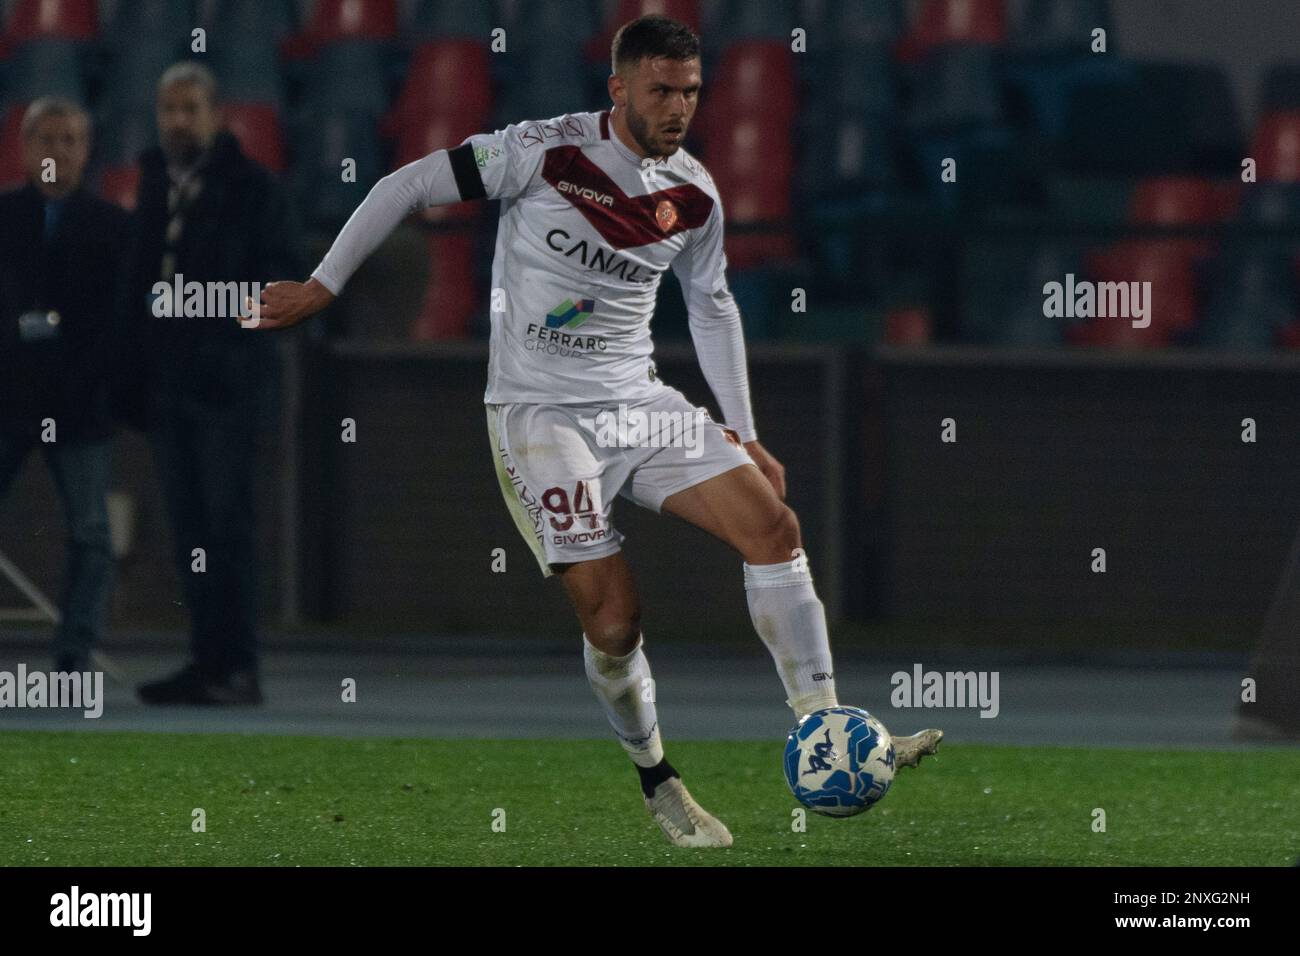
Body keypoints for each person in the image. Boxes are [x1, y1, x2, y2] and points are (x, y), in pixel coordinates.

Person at [252, 16, 941, 845]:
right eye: (661, 89)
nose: (678, 105)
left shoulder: (695, 193)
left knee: (772, 526)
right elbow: (403, 184)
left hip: (636, 404)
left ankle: (825, 725)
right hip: (540, 415)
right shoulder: (542, 151)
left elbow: (712, 306)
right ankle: (660, 781)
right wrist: (323, 286)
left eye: (690, 90)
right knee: (615, 625)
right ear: (618, 89)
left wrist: (744, 432)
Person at [125, 63, 299, 705]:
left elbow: (283, 282)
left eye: (189, 108)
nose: (177, 120)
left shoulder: (255, 189)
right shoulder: (152, 184)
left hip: (229, 392)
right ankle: (206, 662)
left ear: (216, 114)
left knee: (228, 530)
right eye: (168, 108)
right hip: (170, 394)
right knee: (191, 532)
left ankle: (239, 666)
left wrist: (215, 324)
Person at [0, 97, 128, 674]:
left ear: (86, 150)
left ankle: (74, 649)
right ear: (26, 149)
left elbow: (117, 323)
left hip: (79, 403)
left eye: (69, 140)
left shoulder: (113, 228)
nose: (57, 151)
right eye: (46, 140)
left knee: (91, 533)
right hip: (6, 399)